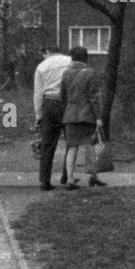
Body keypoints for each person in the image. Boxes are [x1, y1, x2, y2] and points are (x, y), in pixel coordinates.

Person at [60, 46, 107, 187]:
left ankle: (69, 179)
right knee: (90, 146)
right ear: (85, 58)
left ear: (72, 58)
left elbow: (62, 96)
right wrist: (98, 117)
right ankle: (93, 177)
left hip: (70, 115)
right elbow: (94, 98)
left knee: (72, 147)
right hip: (87, 114)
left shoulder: (66, 73)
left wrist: (66, 112)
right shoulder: (90, 73)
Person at [32, 45, 73, 191]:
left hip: (49, 103)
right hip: (68, 103)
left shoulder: (42, 66)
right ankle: (68, 177)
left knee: (48, 144)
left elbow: (38, 93)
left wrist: (38, 115)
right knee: (71, 142)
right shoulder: (71, 61)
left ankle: (45, 181)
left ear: (47, 52)